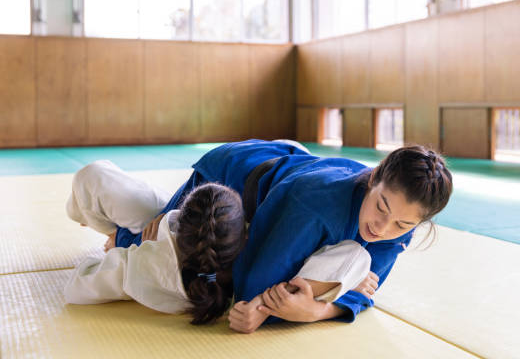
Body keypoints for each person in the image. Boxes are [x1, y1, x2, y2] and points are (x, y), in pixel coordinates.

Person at [105, 139, 453, 330]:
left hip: (288, 170)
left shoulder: (398, 227)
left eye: (403, 225)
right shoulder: (317, 205)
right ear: (374, 178)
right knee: (168, 253)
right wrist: (323, 292)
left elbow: (367, 289)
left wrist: (317, 311)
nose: (382, 229)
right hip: (229, 178)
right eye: (381, 208)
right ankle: (121, 233)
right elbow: (251, 287)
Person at [65, 173, 373, 327]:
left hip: (142, 240)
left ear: (181, 215)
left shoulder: (147, 265)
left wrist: (132, 248)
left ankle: (111, 231)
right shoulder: (269, 262)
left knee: (92, 177)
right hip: (169, 234)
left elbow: (77, 285)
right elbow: (355, 256)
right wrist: (342, 287)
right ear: (245, 234)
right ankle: (115, 230)